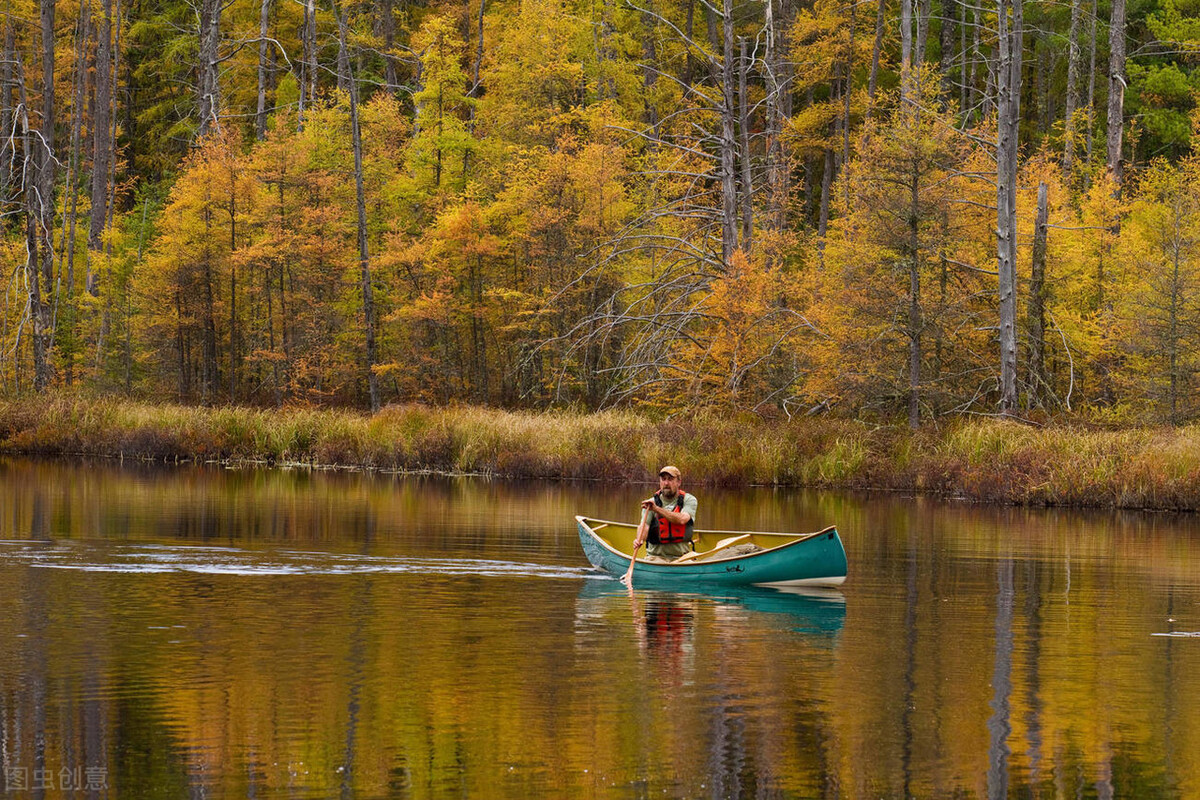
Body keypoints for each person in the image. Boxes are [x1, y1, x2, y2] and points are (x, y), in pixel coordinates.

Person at [632, 466, 698, 562]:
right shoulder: (651, 503)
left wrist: (657, 509)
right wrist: (639, 539)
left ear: (679, 482)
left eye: (670, 479)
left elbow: (682, 519)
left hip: (682, 558)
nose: (666, 483)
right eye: (663, 479)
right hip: (655, 557)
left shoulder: (689, 500)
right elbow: (644, 526)